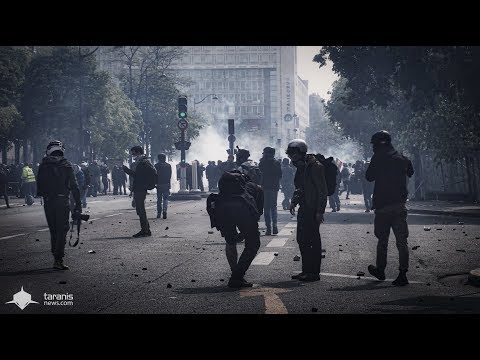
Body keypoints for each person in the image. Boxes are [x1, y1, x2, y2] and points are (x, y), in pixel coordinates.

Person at [366, 130, 414, 286]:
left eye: (374, 144)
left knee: (382, 241)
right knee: (402, 242)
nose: (372, 147)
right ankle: (403, 273)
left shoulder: (378, 157)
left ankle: (380, 269)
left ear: (379, 144)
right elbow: (411, 172)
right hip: (399, 205)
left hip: (382, 206)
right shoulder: (402, 158)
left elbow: (369, 177)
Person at [207, 170, 263, 288]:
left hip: (222, 209)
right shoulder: (256, 188)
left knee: (230, 241)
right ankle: (237, 276)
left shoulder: (227, 188)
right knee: (253, 244)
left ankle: (235, 272)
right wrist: (245, 233)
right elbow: (256, 212)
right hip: (243, 210)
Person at [36, 140, 82, 270]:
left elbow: (39, 185)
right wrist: (78, 204)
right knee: (62, 229)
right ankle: (58, 259)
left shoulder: (43, 165)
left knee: (53, 230)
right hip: (62, 201)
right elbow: (75, 186)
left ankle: (55, 255)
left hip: (48, 201)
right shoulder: (66, 165)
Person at [287, 139, 327, 282]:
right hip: (304, 207)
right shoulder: (302, 167)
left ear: (302, 153)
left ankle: (313, 273)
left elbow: (322, 190)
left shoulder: (315, 166)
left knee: (313, 240)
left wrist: (319, 211)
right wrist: (294, 201)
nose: (292, 159)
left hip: (312, 208)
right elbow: (300, 188)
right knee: (302, 239)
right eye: (290, 155)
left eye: (294, 155)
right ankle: (306, 270)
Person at [123, 146, 156, 237]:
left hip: (141, 188)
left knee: (140, 210)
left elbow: (138, 176)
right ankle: (146, 230)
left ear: (138, 152)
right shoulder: (143, 162)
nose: (133, 156)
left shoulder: (143, 162)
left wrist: (127, 170)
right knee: (140, 209)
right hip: (140, 188)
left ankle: (145, 231)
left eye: (133, 153)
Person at [259, 147, 282, 235]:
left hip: (265, 187)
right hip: (274, 187)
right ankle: (275, 227)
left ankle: (268, 228)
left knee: (266, 208)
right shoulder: (277, 163)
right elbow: (280, 175)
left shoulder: (263, 162)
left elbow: (261, 171)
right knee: (273, 207)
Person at [155, 153, 172, 219]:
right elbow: (169, 176)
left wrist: (155, 183)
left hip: (159, 184)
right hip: (166, 184)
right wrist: (169, 184)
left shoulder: (156, 165)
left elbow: (155, 175)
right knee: (165, 199)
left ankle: (159, 212)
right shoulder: (168, 166)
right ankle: (165, 210)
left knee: (159, 199)